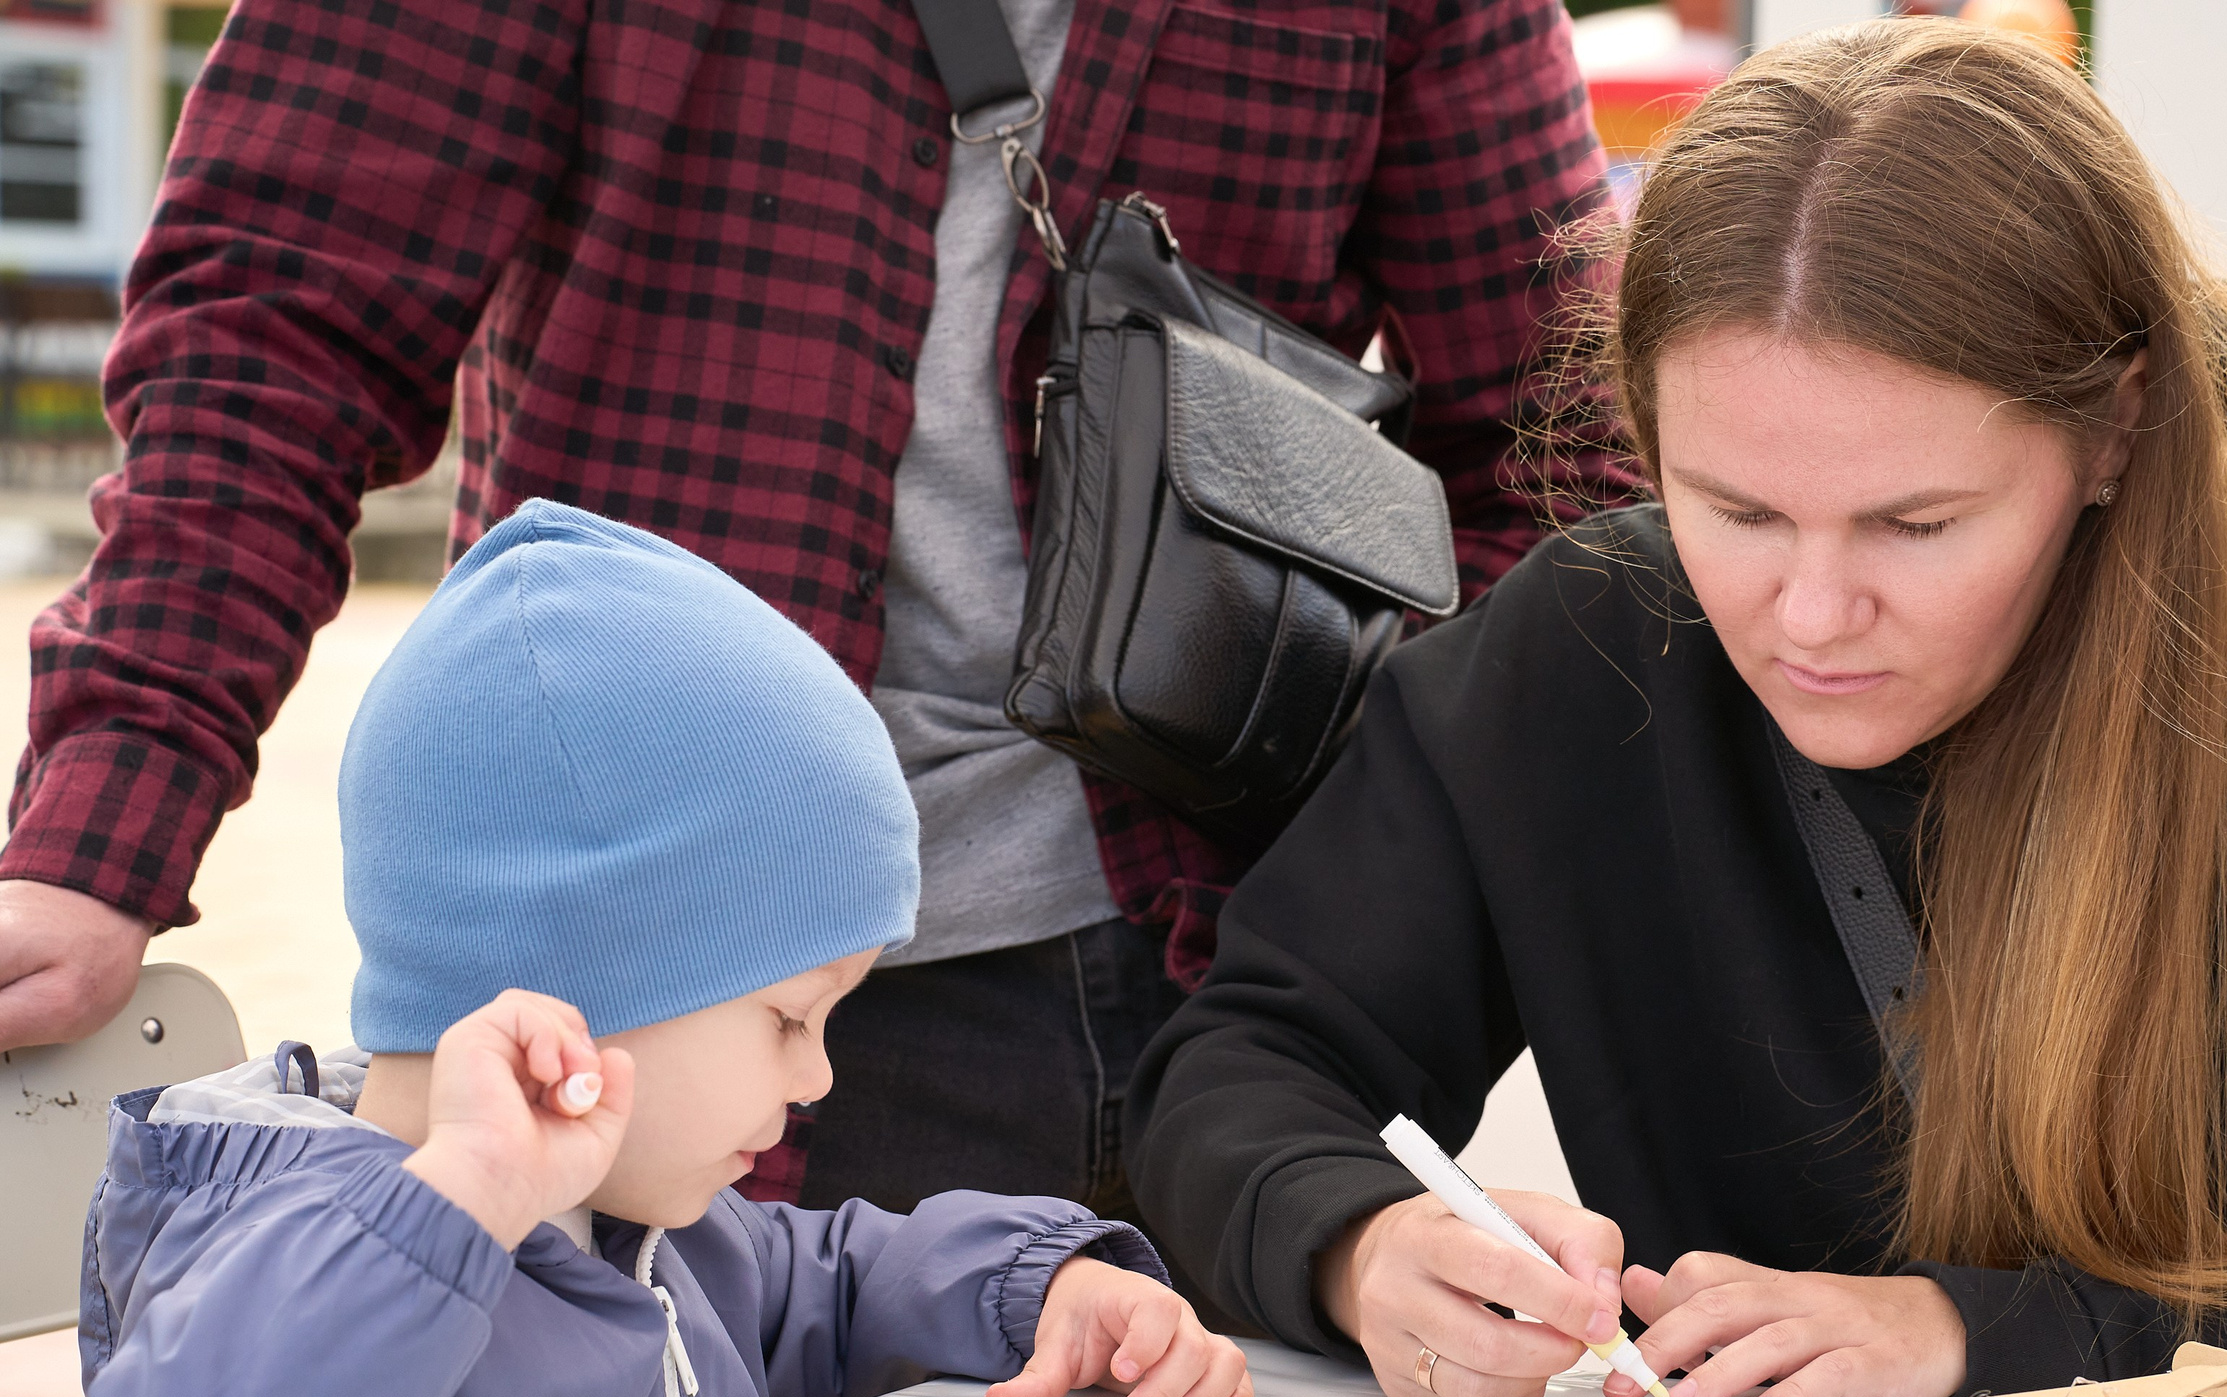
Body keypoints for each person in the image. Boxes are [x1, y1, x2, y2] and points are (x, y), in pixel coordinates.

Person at [1125, 19, 2227, 1397]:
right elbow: (1245, 1061)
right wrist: (1359, 1244)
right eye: (1735, 508)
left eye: (1916, 523)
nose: (1809, 613)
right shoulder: (1591, 643)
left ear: (2116, 431)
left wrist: (1961, 1329)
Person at [0, 0, 1628, 1238]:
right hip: (624, 977)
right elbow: (281, 314)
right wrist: (105, 817)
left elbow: (1567, 445)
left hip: (1186, 957)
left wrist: (1367, 934)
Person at [69, 504, 1250, 1397]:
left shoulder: (645, 1223)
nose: (818, 1079)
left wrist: (1040, 1288)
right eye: (790, 1017)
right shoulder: (292, 1241)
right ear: (585, 989)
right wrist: (463, 1198)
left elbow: (827, 1294)